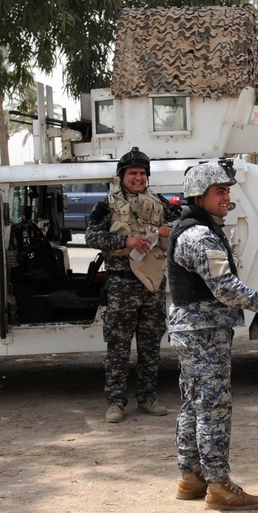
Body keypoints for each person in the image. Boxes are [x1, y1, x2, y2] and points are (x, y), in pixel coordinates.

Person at [166, 160, 258, 511]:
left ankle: (191, 477)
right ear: (199, 196)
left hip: (193, 329)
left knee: (194, 405)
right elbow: (226, 289)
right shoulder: (200, 236)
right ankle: (219, 485)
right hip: (204, 331)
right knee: (213, 408)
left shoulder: (193, 229)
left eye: (228, 190)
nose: (227, 198)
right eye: (219, 192)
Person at [85, 146, 172, 424]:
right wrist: (125, 241)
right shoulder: (106, 205)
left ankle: (147, 397)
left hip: (152, 285)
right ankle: (115, 402)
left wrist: (168, 231)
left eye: (142, 173)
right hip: (122, 284)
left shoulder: (159, 203)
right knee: (118, 347)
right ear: (121, 176)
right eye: (133, 173)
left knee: (150, 346)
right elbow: (92, 236)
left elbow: (179, 228)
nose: (138, 177)